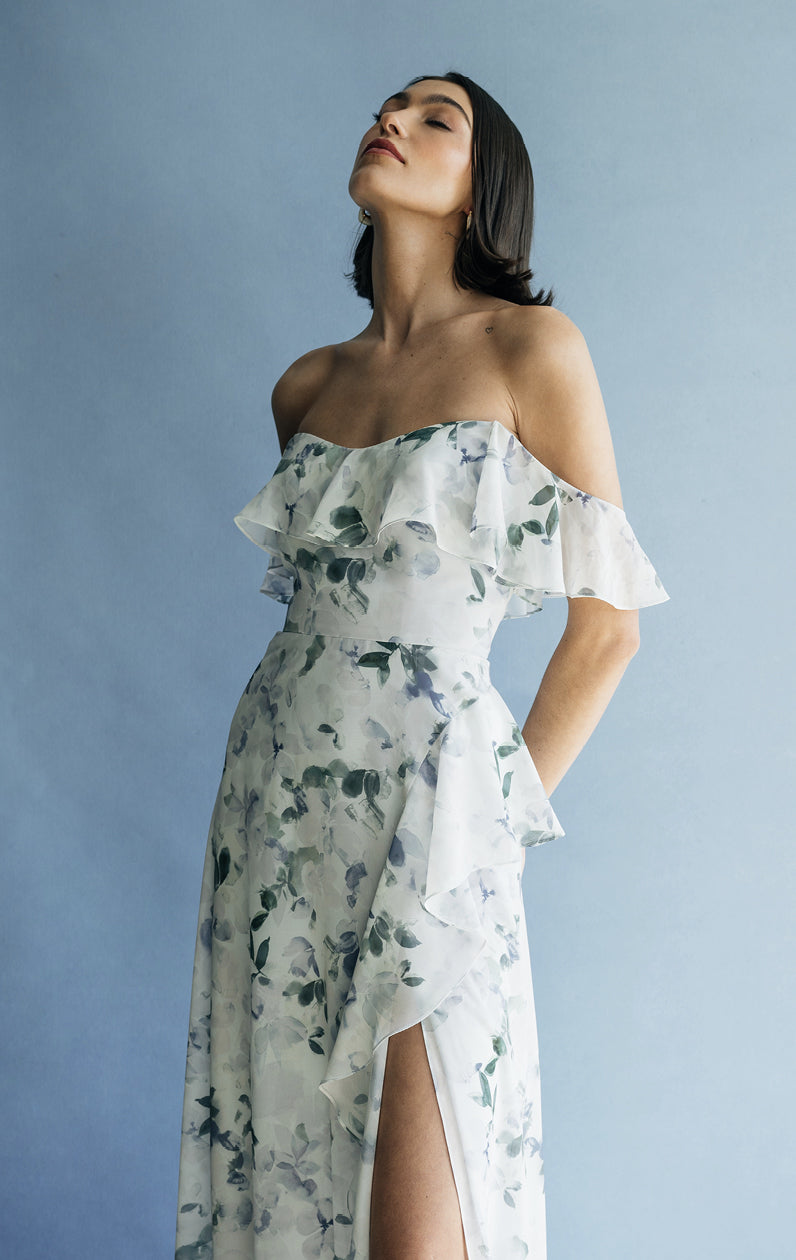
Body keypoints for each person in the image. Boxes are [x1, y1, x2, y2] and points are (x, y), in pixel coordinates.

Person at [175, 70, 669, 1260]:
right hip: (277, 799)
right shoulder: (308, 386)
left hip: (434, 810)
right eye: (386, 108)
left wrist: (491, 823)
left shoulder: (530, 347)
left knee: (422, 1212)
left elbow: (607, 627)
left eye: (432, 118)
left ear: (478, 190)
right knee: (287, 1161)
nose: (389, 122)